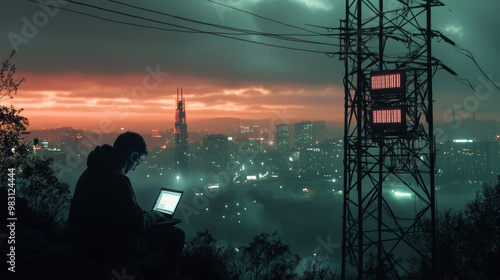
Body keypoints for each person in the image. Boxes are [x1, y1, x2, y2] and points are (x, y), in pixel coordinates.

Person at [68, 131, 185, 273]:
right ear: (133, 156)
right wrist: (154, 217)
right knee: (177, 235)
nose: (134, 167)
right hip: (108, 247)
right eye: (137, 161)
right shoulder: (119, 179)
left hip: (81, 242)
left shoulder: (89, 172)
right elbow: (138, 225)